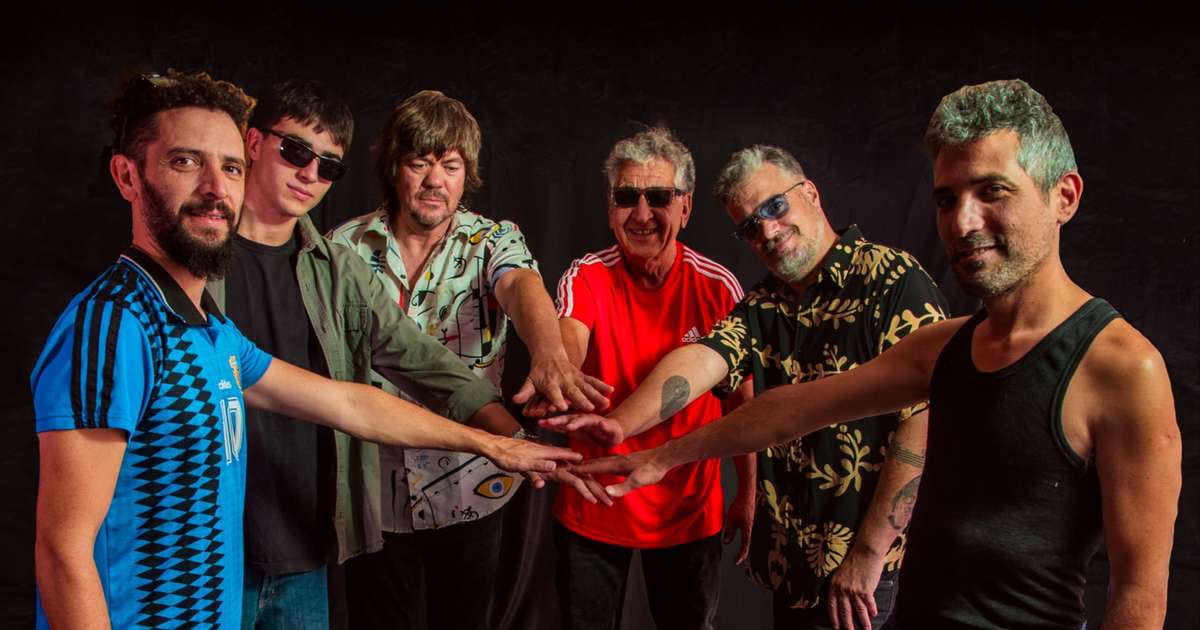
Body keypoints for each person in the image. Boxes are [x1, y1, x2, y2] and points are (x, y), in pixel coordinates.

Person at [572, 79, 1181, 630]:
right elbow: (783, 407)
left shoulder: (1121, 368)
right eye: (946, 200)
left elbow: (1138, 596)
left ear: (1064, 196)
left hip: (864, 581)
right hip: (836, 581)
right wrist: (653, 452)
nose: (964, 222)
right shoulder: (945, 347)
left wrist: (866, 553)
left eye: (992, 191)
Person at [30, 70, 578, 630]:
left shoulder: (213, 332)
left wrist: (500, 443)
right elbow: (64, 550)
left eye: (228, 169)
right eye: (186, 162)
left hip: (275, 562)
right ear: (127, 174)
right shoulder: (114, 322)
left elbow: (350, 402)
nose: (216, 188)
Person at [545, 142, 948, 629]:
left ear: (811, 193)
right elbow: (703, 360)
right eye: (751, 226)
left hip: (857, 567)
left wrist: (869, 554)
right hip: (791, 561)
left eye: (775, 207)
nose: (768, 232)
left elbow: (924, 421)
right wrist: (620, 424)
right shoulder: (765, 304)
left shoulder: (892, 280)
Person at [206, 79, 549, 629]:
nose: (309, 174)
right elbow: (344, 403)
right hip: (219, 536)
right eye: (295, 152)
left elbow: (430, 356)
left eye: (327, 166)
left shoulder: (336, 268)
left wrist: (518, 427)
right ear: (252, 143)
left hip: (310, 535)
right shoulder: (210, 258)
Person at [330, 89, 610, 629]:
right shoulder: (343, 248)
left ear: (466, 175)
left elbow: (521, 285)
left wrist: (549, 353)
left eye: (451, 166)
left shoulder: (492, 240)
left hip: (471, 487)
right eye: (420, 162)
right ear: (394, 167)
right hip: (374, 496)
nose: (435, 180)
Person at [538, 126, 755, 630]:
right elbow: (569, 340)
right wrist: (559, 370)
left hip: (687, 509)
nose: (641, 214)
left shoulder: (717, 287)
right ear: (609, 206)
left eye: (658, 197)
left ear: (686, 207)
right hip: (595, 500)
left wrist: (749, 492)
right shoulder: (587, 275)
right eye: (626, 197)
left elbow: (743, 406)